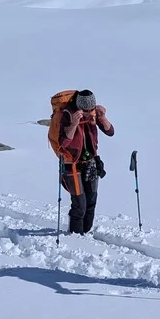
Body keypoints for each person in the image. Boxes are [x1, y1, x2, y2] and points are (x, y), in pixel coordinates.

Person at [57, 90, 114, 234]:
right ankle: (75, 236)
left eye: (91, 109)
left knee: (91, 201)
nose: (89, 112)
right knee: (80, 204)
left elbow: (110, 132)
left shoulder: (94, 114)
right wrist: (74, 123)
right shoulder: (68, 114)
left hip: (91, 163)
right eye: (85, 110)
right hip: (72, 165)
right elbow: (63, 142)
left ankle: (85, 233)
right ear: (79, 107)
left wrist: (102, 117)